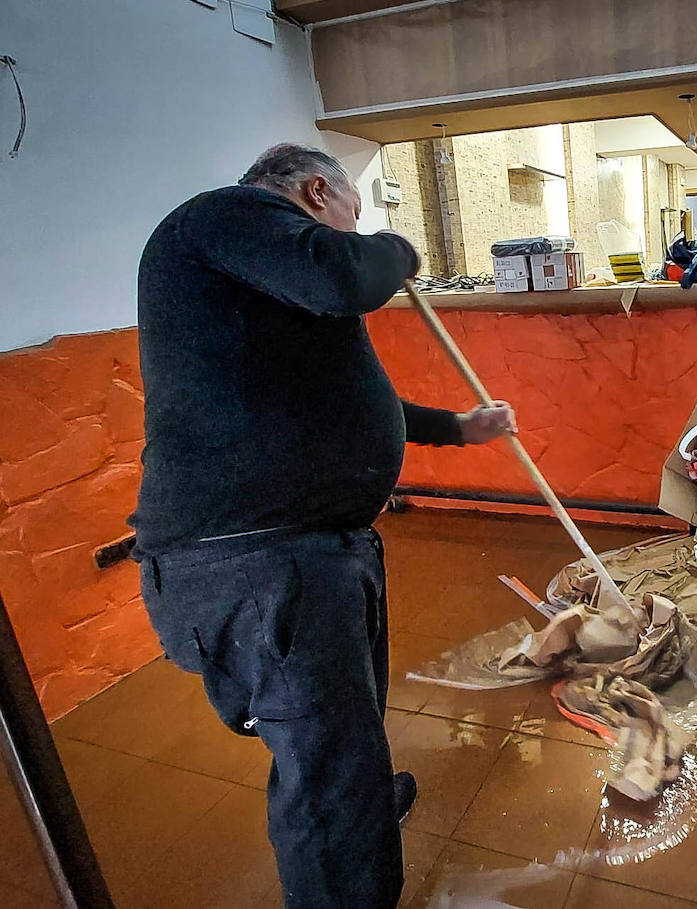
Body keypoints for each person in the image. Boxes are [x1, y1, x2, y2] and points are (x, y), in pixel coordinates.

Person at [130, 143, 516, 908]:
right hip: (259, 560)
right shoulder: (226, 216)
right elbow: (349, 273)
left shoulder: (264, 276)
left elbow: (354, 403)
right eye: (350, 212)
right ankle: (348, 849)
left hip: (305, 552)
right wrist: (398, 248)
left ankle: (363, 795)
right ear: (316, 191)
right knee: (325, 773)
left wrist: (459, 429)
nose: (353, 230)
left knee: (346, 733)